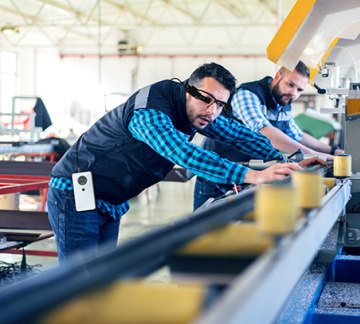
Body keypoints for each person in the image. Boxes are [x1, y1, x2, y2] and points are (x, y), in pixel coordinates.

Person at [47, 62, 304, 263]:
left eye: (220, 105)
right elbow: (185, 154)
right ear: (187, 89)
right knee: (79, 284)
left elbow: (238, 134)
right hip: (76, 192)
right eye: (207, 100)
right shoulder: (149, 112)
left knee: (100, 279)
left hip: (110, 199)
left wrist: (286, 160)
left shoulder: (198, 109)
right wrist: (254, 176)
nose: (212, 111)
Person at [194, 61, 343, 209]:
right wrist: (312, 154)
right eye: (290, 84)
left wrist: (332, 151)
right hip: (218, 174)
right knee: (204, 228)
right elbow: (265, 133)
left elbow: (297, 135)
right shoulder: (248, 94)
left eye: (299, 90)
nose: (293, 93)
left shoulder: (283, 106)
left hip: (250, 175)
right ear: (278, 76)